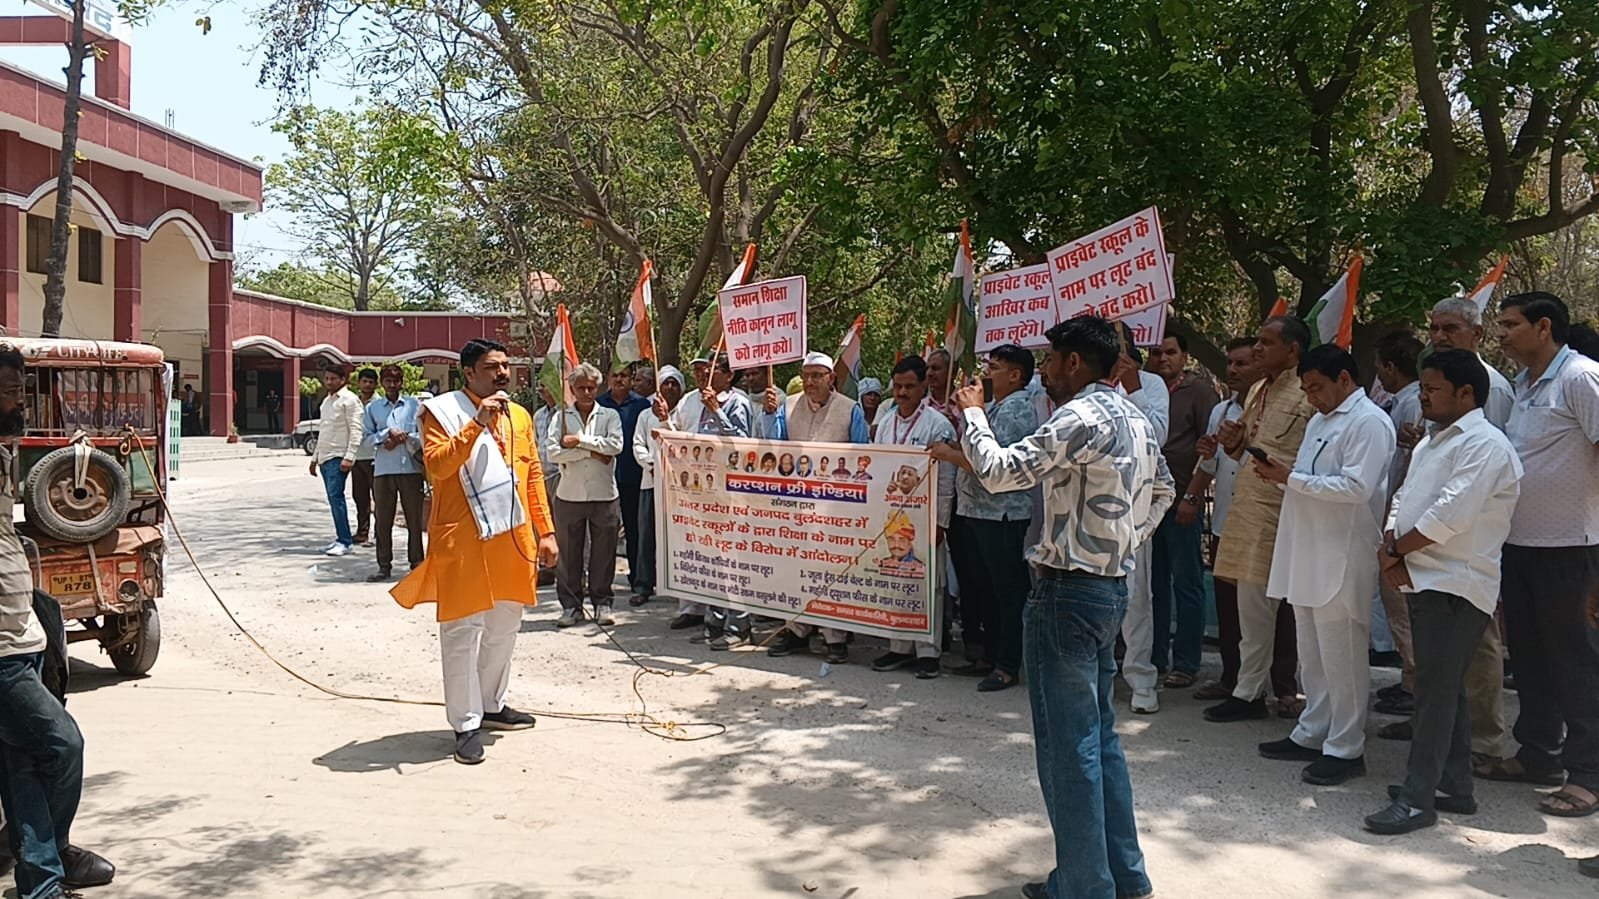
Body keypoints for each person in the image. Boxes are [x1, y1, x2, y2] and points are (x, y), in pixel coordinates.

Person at [935, 316, 1172, 899]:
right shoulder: (1135, 419)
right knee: (1100, 738)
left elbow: (999, 474)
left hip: (1066, 591)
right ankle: (1123, 873)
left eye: (1048, 360)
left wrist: (974, 414)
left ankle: (1085, 885)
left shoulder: (1079, 416)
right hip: (1107, 587)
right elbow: (1163, 489)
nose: (1043, 372)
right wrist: (1120, 543)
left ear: (1073, 362)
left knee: (1070, 748)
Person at [1364, 349, 1522, 834]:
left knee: (1433, 692)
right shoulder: (1434, 441)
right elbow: (1404, 498)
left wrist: (1397, 550)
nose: (1423, 398)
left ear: (1466, 393)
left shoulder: (1486, 445)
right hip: (1423, 576)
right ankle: (1454, 785)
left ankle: (1417, 798)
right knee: (1444, 687)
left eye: (1432, 389)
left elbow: (1450, 515)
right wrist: (1391, 543)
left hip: (1456, 583)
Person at [390, 339, 556, 764]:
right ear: (468, 372)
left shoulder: (519, 415)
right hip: (463, 540)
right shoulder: (442, 413)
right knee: (463, 632)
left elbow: (532, 473)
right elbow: (438, 465)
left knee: (505, 625)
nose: (502, 374)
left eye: (505, 366)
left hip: (512, 538)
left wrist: (547, 531)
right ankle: (465, 724)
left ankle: (491, 704)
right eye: (491, 367)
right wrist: (476, 425)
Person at [0, 349, 118, 898]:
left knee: (24, 761)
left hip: (22, 632)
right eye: (9, 392)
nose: (19, 402)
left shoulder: (5, 455)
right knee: (62, 744)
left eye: (20, 392)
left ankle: (42, 878)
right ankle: (53, 853)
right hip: (2, 649)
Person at [1250, 345, 1394, 786]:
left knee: (1343, 652)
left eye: (1316, 388)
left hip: (1343, 551)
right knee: (1312, 650)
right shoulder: (1320, 421)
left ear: (1344, 380)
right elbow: (1311, 478)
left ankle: (1346, 747)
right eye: (1307, 389)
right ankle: (1313, 730)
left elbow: (1355, 488)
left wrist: (1290, 478)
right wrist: (1283, 474)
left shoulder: (1369, 422)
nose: (1311, 397)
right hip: (1308, 548)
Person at [1482, 292, 1599, 816]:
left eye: (1510, 325)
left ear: (1544, 327)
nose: (1502, 334)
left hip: (1573, 548)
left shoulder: (1580, 378)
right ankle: (1538, 754)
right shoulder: (1524, 386)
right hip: (1522, 546)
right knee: (1530, 657)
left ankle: (1589, 774)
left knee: (1577, 663)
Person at [1421, 296, 1515, 766]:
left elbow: (1487, 460)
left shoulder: (1489, 387)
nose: (1439, 336)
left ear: (1477, 334)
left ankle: (1482, 740)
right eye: (1435, 328)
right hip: (1431, 541)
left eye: (1451, 328)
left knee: (1478, 644)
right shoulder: (1432, 382)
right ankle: (1445, 739)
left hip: (1469, 537)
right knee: (1440, 652)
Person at [1206, 316, 1313, 723]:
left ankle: (1291, 693)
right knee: (1251, 608)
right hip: (1249, 511)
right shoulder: (1258, 390)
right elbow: (1249, 450)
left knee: (1290, 613)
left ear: (1293, 350)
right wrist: (1233, 445)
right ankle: (1248, 692)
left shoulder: (1309, 392)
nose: (1257, 350)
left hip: (1287, 512)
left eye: (1266, 343)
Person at [1188, 339, 1297, 704]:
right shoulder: (1224, 409)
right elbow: (1217, 460)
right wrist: (1194, 491)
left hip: (1273, 520)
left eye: (1242, 363)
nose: (1233, 370)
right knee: (1234, 610)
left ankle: (1284, 687)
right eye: (1230, 363)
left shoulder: (1296, 398)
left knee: (1280, 611)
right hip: (1230, 519)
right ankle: (1235, 681)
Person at [758, 352, 869, 663]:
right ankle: (797, 631)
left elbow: (864, 456)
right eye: (806, 375)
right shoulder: (788, 406)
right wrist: (769, 415)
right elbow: (776, 448)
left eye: (817, 376)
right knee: (795, 570)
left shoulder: (850, 410)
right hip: (797, 506)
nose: (810, 382)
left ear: (831, 378)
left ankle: (835, 638)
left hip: (836, 509)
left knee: (832, 572)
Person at [946, 344, 1038, 692]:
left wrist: (948, 455)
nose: (986, 374)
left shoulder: (1017, 409)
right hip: (978, 510)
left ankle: (1008, 663)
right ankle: (989, 655)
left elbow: (993, 466)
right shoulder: (994, 406)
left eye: (995, 368)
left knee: (1007, 592)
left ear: (1015, 375)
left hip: (1002, 514)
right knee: (984, 588)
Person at [862, 355, 957, 679]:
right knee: (894, 579)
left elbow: (946, 478)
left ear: (923, 385)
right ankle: (899, 647)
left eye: (910, 386)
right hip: (892, 517)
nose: (902, 393)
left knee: (930, 584)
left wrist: (941, 522)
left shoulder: (938, 424)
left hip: (926, 517)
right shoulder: (885, 423)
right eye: (898, 386)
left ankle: (928, 652)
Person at [663, 355, 753, 646]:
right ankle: (714, 622)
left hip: (731, 495)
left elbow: (743, 443)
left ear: (729, 376)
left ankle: (739, 626)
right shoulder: (698, 403)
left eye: (713, 370)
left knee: (732, 562)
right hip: (706, 494)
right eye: (702, 370)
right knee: (711, 560)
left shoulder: (738, 403)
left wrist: (717, 410)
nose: (706, 375)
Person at [1145, 332, 1218, 690]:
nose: (1163, 359)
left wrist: (1192, 497)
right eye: (1156, 353)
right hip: (1147, 503)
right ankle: (1155, 656)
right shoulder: (1143, 389)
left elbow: (1211, 450)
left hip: (1182, 502)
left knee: (1187, 583)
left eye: (1170, 352)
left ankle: (1187, 661)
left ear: (1184, 356)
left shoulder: (1199, 393)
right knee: (1153, 585)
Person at [1110, 321, 1170, 714]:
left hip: (1134, 508)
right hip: (1093, 506)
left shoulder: (1151, 384)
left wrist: (1132, 388)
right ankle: (1100, 676)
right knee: (1096, 596)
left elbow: (1157, 437)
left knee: (1135, 598)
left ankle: (1141, 678)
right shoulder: (1092, 389)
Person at [1370, 329, 1426, 731]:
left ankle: (1415, 684)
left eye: (1380, 368)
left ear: (1391, 367)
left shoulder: (1411, 404)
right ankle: (1409, 679)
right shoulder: (1402, 402)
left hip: (1400, 519)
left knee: (1403, 610)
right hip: (1393, 514)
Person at [547, 364, 625, 629]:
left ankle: (602, 602)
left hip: (604, 494)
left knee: (604, 552)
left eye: (591, 387)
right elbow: (553, 453)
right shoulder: (561, 417)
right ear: (572, 389)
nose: (587, 392)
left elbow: (615, 446)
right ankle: (571, 606)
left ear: (598, 387)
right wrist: (592, 451)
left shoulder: (609, 415)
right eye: (581, 388)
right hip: (570, 494)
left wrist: (578, 441)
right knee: (569, 554)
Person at [363, 364, 425, 582]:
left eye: (395, 381)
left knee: (414, 520)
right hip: (383, 470)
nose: (391, 385)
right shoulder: (373, 409)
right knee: (383, 520)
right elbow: (366, 439)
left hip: (410, 469)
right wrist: (385, 435)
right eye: (388, 381)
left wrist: (404, 438)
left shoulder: (414, 405)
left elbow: (424, 434)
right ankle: (384, 566)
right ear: (382, 383)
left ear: (402, 383)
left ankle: (417, 564)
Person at [630, 366, 685, 607]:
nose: (670, 388)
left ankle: (681, 586)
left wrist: (665, 420)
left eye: (674, 383)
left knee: (679, 537)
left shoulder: (685, 412)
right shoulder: (645, 415)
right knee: (647, 536)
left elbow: (681, 443)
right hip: (650, 482)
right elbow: (638, 444)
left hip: (679, 487)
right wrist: (651, 465)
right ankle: (643, 585)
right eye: (666, 383)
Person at [598, 365, 652, 605]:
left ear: (631, 379)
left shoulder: (642, 406)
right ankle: (601, 582)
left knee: (635, 531)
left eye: (624, 376)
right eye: (615, 375)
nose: (619, 379)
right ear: (609, 378)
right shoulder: (599, 404)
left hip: (634, 477)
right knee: (604, 533)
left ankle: (638, 581)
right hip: (603, 477)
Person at [308, 363, 365, 557]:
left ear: (343, 380)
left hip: (338, 457)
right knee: (333, 500)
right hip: (325, 457)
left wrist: (349, 457)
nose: (329, 382)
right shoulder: (327, 402)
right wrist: (314, 458)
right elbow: (323, 431)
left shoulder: (350, 400)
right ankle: (341, 537)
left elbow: (356, 430)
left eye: (333, 378)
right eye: (326, 378)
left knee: (337, 498)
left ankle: (345, 541)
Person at [349, 368, 380, 546]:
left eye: (370, 382)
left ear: (375, 384)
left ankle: (380, 534)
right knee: (359, 497)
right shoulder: (353, 402)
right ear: (358, 383)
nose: (367, 385)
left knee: (379, 498)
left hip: (375, 456)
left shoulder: (379, 404)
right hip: (356, 456)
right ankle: (362, 533)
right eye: (364, 381)